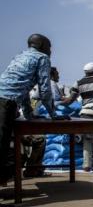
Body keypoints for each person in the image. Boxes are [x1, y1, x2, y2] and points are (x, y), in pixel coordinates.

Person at [0, 34, 60, 183]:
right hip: (6, 104)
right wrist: (54, 114)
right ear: (40, 45)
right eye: (49, 46)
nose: (51, 50)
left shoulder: (19, 56)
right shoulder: (42, 58)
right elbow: (45, 90)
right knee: (1, 148)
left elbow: (24, 89)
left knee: (3, 146)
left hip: (5, 100)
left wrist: (28, 114)